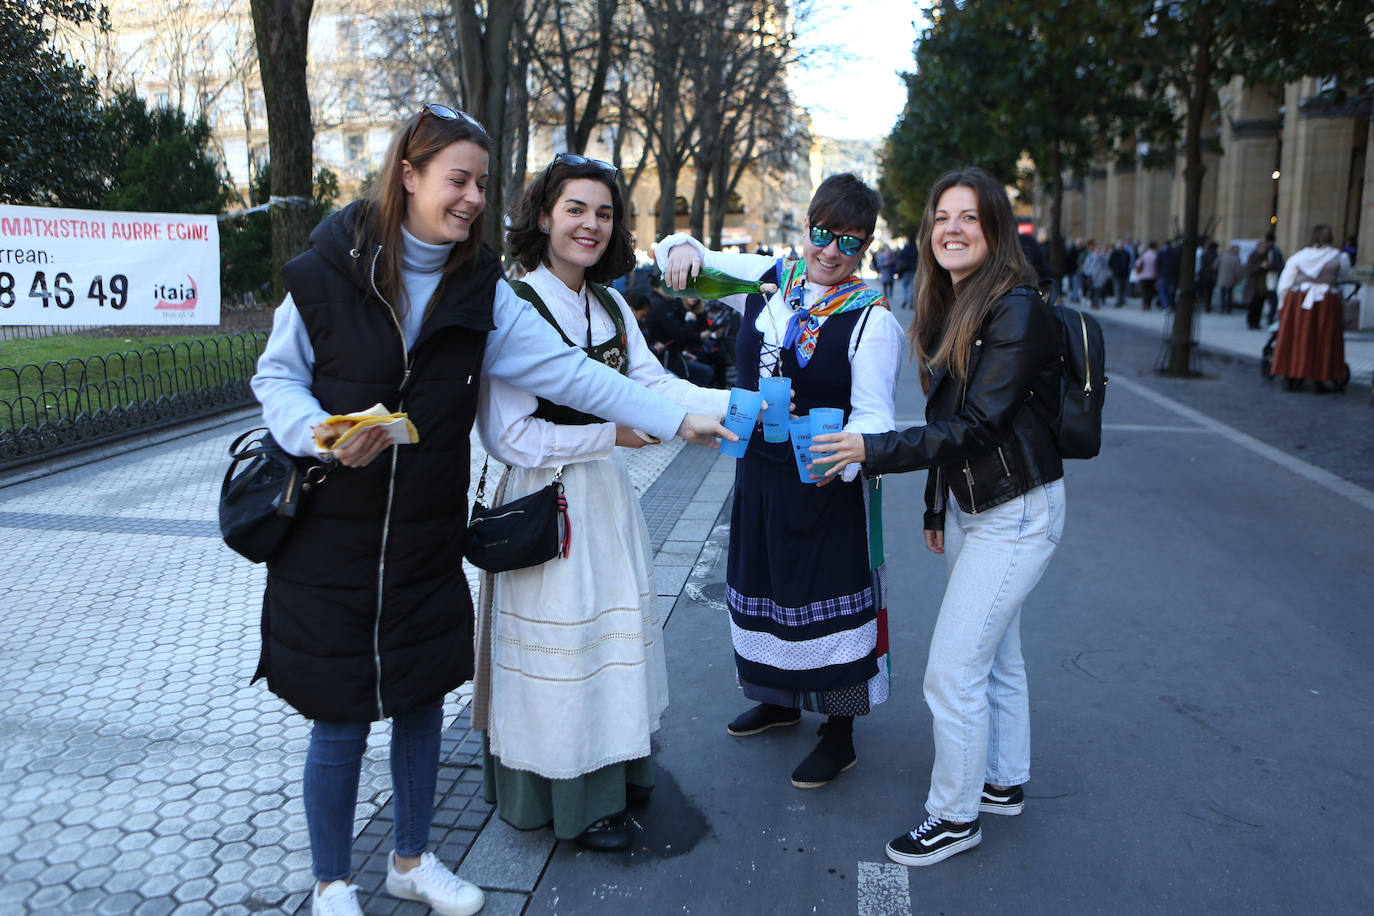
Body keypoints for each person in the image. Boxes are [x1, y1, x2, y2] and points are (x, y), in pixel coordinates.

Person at [249, 106, 731, 916]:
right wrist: (317, 435)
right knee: (338, 718)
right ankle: (333, 880)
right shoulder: (329, 268)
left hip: (424, 533)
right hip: (332, 533)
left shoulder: (481, 290)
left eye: (482, 183)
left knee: (417, 702)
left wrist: (680, 413)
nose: (473, 198)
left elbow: (575, 375)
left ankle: (411, 859)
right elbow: (276, 376)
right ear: (409, 174)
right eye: (458, 180)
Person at [473, 153, 730, 852]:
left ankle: (616, 775)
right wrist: (608, 434)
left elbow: (657, 386)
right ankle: (569, 802)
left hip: (604, 501)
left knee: (605, 645)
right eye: (575, 209)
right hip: (541, 503)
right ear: (544, 216)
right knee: (563, 650)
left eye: (604, 212)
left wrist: (741, 407)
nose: (590, 224)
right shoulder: (514, 303)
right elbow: (508, 435)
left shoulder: (610, 303)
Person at [811, 166, 1065, 868]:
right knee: (997, 655)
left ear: (993, 229)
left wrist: (872, 449)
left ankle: (954, 817)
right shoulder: (955, 298)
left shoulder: (1014, 307)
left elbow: (980, 425)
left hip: (1015, 511)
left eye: (968, 217)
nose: (951, 229)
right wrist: (933, 502)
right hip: (974, 505)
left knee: (952, 672)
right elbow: (948, 413)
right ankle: (1003, 781)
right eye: (941, 217)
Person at [657, 173, 905, 790]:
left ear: (865, 249)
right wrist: (676, 248)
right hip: (761, 476)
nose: (829, 251)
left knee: (828, 600)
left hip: (823, 484)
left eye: (848, 243)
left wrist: (842, 453)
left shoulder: (870, 321)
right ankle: (778, 698)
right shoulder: (771, 279)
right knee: (763, 584)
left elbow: (876, 416)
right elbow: (681, 253)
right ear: (807, 228)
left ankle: (840, 733)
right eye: (821, 233)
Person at [1271, 224, 1353, 392]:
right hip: (1326, 302)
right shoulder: (1339, 257)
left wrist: (1282, 304)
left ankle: (1293, 373)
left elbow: (1285, 284)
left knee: (1296, 338)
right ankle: (1320, 378)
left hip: (1299, 302)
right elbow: (1344, 277)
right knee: (1324, 339)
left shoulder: (1299, 257)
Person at [1242, 239, 1272, 329]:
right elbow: (1249, 269)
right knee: (1253, 305)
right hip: (1254, 285)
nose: (1264, 249)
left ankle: (1256, 322)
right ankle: (1251, 322)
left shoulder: (1267, 257)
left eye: (1265, 248)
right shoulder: (1253, 256)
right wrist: (1260, 266)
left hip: (1263, 285)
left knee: (1260, 305)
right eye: (1262, 247)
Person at [1215, 243, 1241, 314]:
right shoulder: (1236, 258)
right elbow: (1238, 271)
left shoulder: (1223, 256)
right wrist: (1238, 280)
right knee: (1229, 294)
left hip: (1222, 277)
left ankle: (1222, 308)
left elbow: (1214, 265)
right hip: (1231, 278)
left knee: (1222, 293)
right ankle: (1228, 308)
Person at [1197, 240, 1219, 312]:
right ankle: (1208, 305)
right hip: (1211, 276)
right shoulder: (1215, 255)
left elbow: (1202, 265)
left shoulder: (1205, 254)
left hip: (1204, 276)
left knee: (1205, 291)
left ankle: (1206, 305)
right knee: (1210, 292)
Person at [1134, 242, 1158, 310]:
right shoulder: (1155, 255)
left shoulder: (1144, 254)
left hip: (1143, 276)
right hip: (1152, 275)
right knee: (1150, 291)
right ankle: (1148, 304)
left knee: (1144, 291)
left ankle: (1144, 304)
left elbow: (1137, 263)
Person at [1108, 240, 1131, 307]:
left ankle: (1122, 299)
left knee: (1122, 287)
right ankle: (1118, 301)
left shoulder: (1126, 253)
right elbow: (1110, 263)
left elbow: (1128, 262)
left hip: (1124, 273)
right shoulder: (1114, 253)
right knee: (1117, 287)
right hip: (1116, 273)